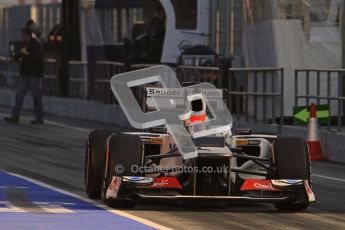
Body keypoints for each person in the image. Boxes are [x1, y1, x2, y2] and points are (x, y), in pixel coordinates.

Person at [4, 28, 45, 124]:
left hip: (33, 74)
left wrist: (26, 53)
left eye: (23, 35)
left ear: (28, 35)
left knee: (36, 96)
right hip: (26, 73)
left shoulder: (35, 44)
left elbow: (38, 57)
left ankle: (39, 117)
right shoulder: (26, 44)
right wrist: (15, 57)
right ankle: (15, 116)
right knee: (19, 95)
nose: (22, 37)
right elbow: (20, 54)